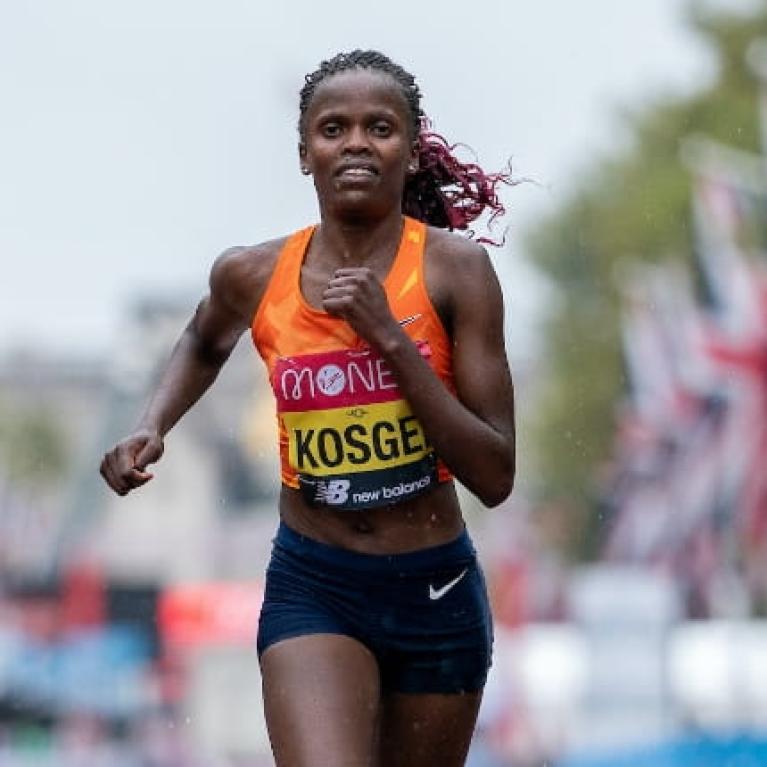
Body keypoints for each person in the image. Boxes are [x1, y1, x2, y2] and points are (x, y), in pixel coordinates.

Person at [100, 49, 516, 767]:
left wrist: (390, 336)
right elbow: (204, 335)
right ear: (304, 154)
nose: (355, 142)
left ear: (411, 151)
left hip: (433, 587)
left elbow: (495, 474)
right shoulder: (253, 273)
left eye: (379, 128)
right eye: (333, 128)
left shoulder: (455, 272)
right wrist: (151, 423)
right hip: (315, 582)